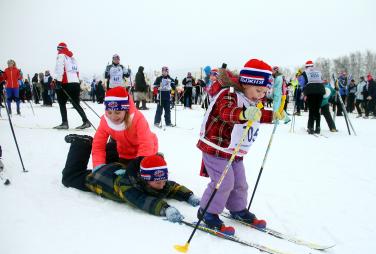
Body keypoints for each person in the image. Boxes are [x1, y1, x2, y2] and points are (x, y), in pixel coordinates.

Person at [196, 59, 285, 235]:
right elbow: (227, 112)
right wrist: (244, 113)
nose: (261, 95)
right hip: (216, 147)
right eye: (258, 90)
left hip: (234, 150)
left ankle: (238, 209)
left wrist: (273, 115)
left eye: (264, 92)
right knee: (223, 182)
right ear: (246, 83)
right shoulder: (228, 94)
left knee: (240, 183)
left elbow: (256, 115)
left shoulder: (250, 99)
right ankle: (207, 213)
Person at [62, 135, 200, 223]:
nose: (163, 185)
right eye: (159, 182)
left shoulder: (155, 181)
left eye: (164, 180)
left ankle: (115, 144)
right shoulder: (128, 188)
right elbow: (142, 200)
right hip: (101, 178)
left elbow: (173, 186)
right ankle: (81, 144)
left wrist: (189, 196)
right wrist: (166, 208)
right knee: (69, 177)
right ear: (145, 179)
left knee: (117, 157)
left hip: (118, 167)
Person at [91, 86, 158, 172]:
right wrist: (98, 167)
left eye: (117, 112)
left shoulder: (137, 118)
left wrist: (136, 167)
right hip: (125, 154)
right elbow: (98, 145)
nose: (113, 117)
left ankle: (156, 157)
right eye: (109, 112)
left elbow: (146, 145)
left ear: (125, 110)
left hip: (147, 151)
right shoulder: (105, 121)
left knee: (138, 175)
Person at [53, 42, 91, 129]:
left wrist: (58, 81)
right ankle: (86, 121)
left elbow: (60, 68)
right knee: (76, 104)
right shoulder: (72, 58)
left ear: (60, 49)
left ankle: (64, 123)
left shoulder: (61, 55)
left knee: (62, 103)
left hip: (66, 83)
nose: (57, 51)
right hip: (75, 83)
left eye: (58, 49)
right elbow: (77, 71)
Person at [299, 60, 326, 134]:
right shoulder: (318, 71)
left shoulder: (305, 72)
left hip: (311, 91)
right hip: (320, 90)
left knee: (311, 109)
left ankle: (310, 127)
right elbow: (322, 80)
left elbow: (302, 83)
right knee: (317, 109)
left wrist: (303, 92)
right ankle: (318, 127)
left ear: (306, 66)